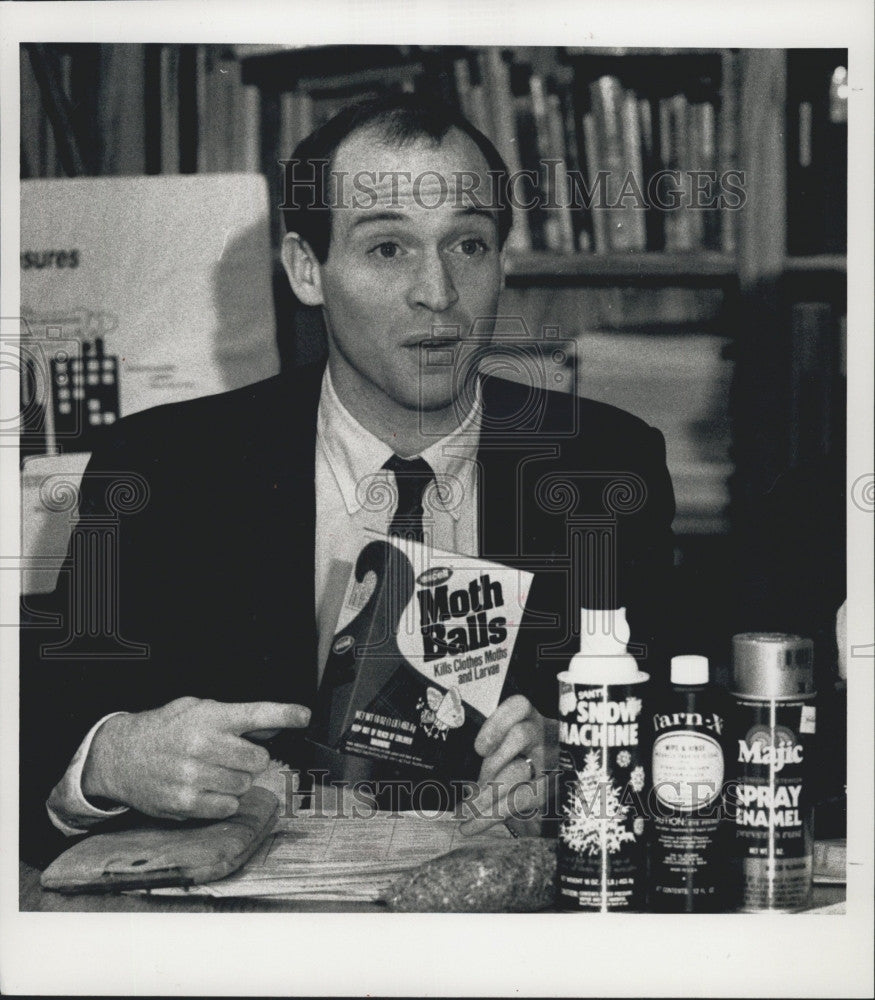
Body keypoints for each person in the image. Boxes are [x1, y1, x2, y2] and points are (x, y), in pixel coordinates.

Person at [20, 95, 676, 866]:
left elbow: (681, 727)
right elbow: (36, 734)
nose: (436, 291)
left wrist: (577, 758)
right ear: (307, 269)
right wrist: (111, 757)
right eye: (388, 249)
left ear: (503, 260)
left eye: (467, 244)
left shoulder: (604, 464)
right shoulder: (162, 466)